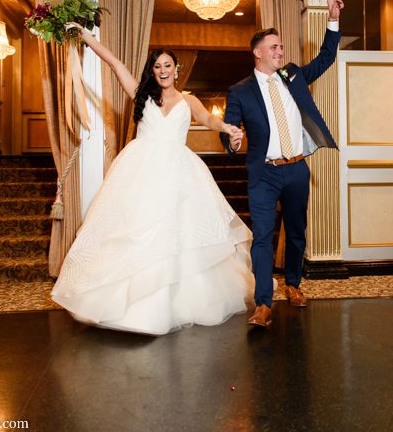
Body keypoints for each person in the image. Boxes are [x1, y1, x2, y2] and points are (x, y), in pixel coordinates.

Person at [52, 31, 254, 335]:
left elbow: (211, 121)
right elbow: (114, 63)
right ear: (153, 70)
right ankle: (130, 304)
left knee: (182, 234)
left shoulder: (189, 100)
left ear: (177, 69)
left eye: (168, 65)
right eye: (158, 66)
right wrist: (87, 38)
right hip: (139, 173)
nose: (163, 71)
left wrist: (228, 128)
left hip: (180, 172)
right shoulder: (140, 94)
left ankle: (179, 301)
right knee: (136, 230)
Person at [221, 0, 344, 327]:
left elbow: (326, 57)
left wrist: (332, 19)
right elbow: (228, 127)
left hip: (296, 170)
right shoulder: (240, 90)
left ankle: (293, 284)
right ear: (258, 53)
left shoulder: (293, 76)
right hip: (265, 174)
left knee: (297, 230)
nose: (280, 51)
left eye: (281, 47)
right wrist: (232, 139)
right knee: (262, 236)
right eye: (274, 47)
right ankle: (263, 304)